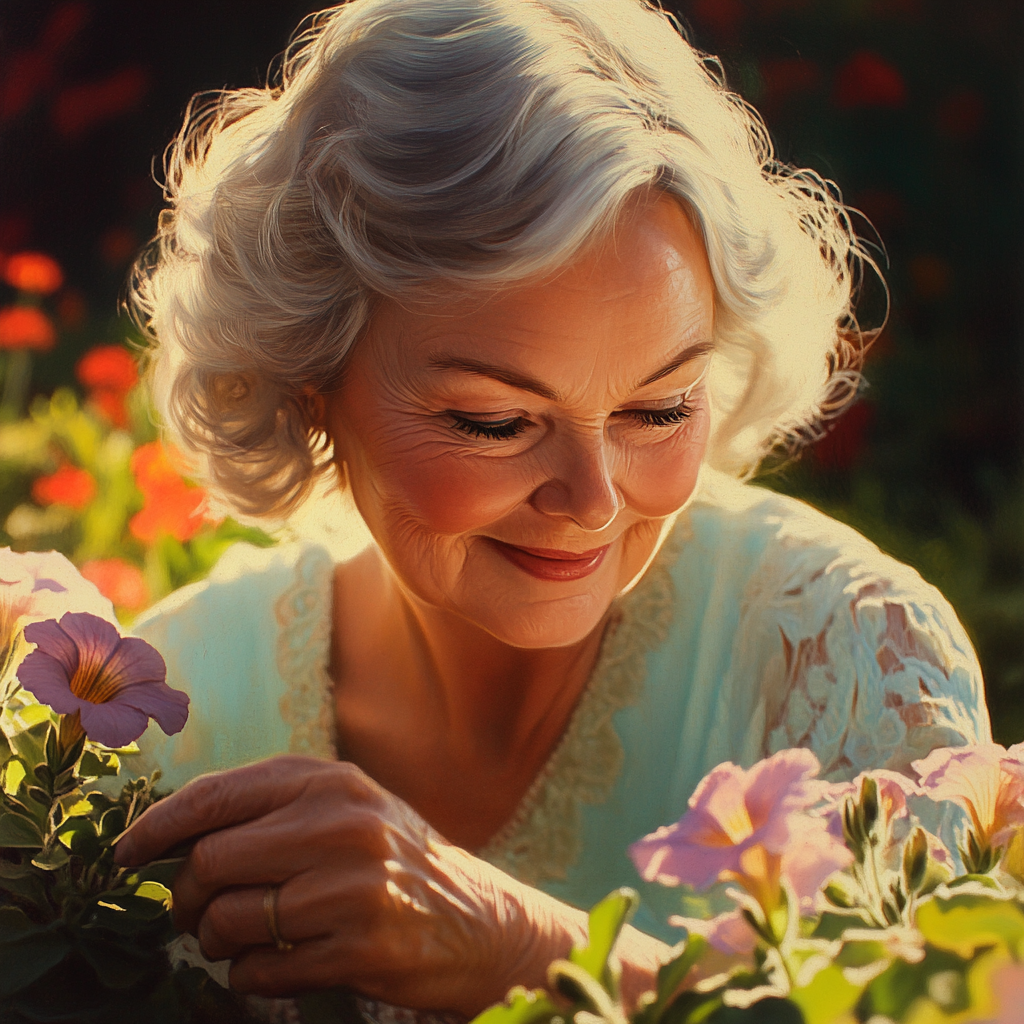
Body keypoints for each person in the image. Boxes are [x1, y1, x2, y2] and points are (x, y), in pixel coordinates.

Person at [112, 0, 990, 1017]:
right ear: (311, 380)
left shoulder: (845, 658)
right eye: (494, 420)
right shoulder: (180, 694)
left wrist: (525, 951)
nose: (595, 498)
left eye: (658, 406)